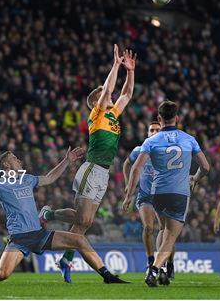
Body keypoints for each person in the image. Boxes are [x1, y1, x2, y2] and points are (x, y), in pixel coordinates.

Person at [0, 149, 129, 284]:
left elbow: (49, 177)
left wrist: (66, 161)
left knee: (79, 240)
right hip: (20, 238)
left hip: (39, 234)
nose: (19, 160)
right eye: (15, 158)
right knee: (2, 274)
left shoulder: (28, 179)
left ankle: (106, 275)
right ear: (6, 165)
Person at [39, 45, 136, 283]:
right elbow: (110, 90)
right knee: (83, 219)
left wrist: (130, 71)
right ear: (96, 101)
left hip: (103, 173)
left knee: (86, 223)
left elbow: (127, 94)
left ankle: (65, 259)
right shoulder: (98, 113)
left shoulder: (113, 114)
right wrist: (115, 65)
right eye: (105, 95)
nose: (111, 96)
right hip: (91, 169)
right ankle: (48, 213)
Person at [123, 100, 210, 287]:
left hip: (157, 193)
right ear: (177, 118)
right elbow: (205, 167)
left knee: (163, 229)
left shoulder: (151, 141)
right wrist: (195, 178)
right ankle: (154, 269)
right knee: (171, 236)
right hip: (179, 193)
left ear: (159, 118)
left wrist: (129, 194)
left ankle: (159, 268)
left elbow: (135, 168)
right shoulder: (189, 139)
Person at [123, 121, 175, 279]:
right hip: (145, 195)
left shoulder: (170, 152)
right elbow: (127, 164)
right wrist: (128, 185)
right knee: (148, 228)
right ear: (147, 133)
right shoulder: (139, 151)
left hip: (164, 195)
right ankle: (151, 261)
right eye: (151, 129)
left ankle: (168, 263)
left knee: (166, 231)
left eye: (157, 130)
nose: (154, 132)